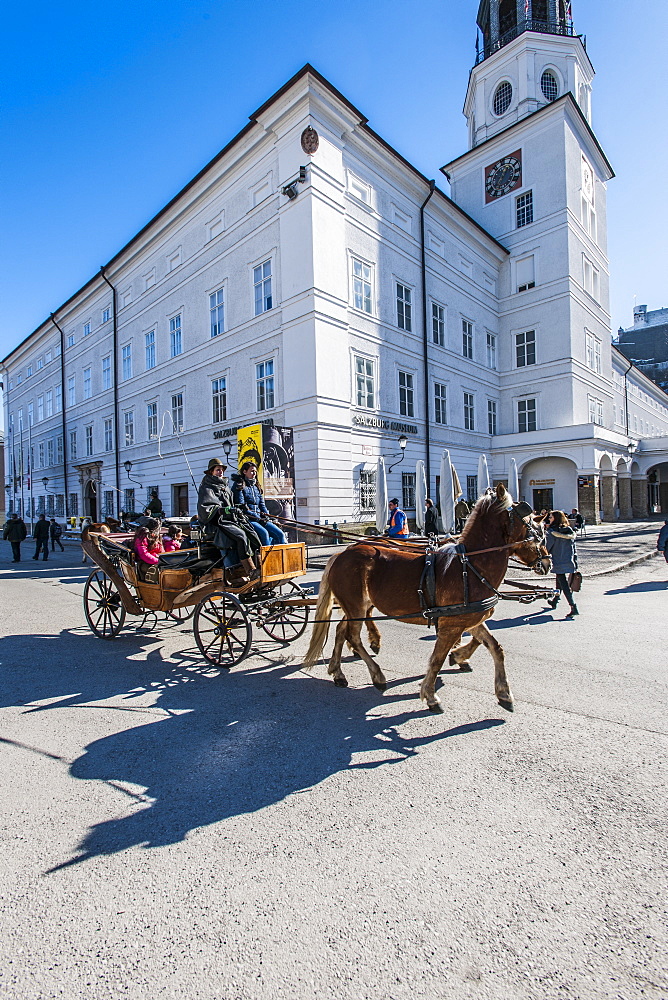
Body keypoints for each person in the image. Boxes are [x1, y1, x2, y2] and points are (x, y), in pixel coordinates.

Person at [197, 458, 261, 582]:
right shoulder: (206, 488)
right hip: (217, 522)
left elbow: (230, 504)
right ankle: (250, 570)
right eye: (217, 470)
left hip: (230, 520)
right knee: (241, 536)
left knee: (252, 533)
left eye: (221, 470)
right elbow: (208, 508)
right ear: (211, 472)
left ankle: (260, 566)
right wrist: (225, 510)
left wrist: (238, 507)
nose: (220, 472)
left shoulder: (224, 486)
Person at [231, 462, 287, 546]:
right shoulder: (239, 485)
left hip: (260, 518)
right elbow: (242, 506)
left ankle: (281, 557)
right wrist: (257, 517)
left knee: (280, 534)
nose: (254, 474)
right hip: (247, 519)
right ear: (244, 472)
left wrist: (266, 516)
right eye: (252, 471)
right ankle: (266, 557)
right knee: (264, 534)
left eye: (255, 471)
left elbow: (262, 504)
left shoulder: (256, 486)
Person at [545, 509, 579, 617]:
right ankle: (555, 600)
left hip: (559, 560)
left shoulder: (552, 532)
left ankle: (573, 607)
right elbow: (574, 547)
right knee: (559, 579)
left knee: (563, 584)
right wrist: (575, 560)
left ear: (555, 518)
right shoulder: (569, 530)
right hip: (568, 560)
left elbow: (547, 548)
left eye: (550, 517)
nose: (549, 519)